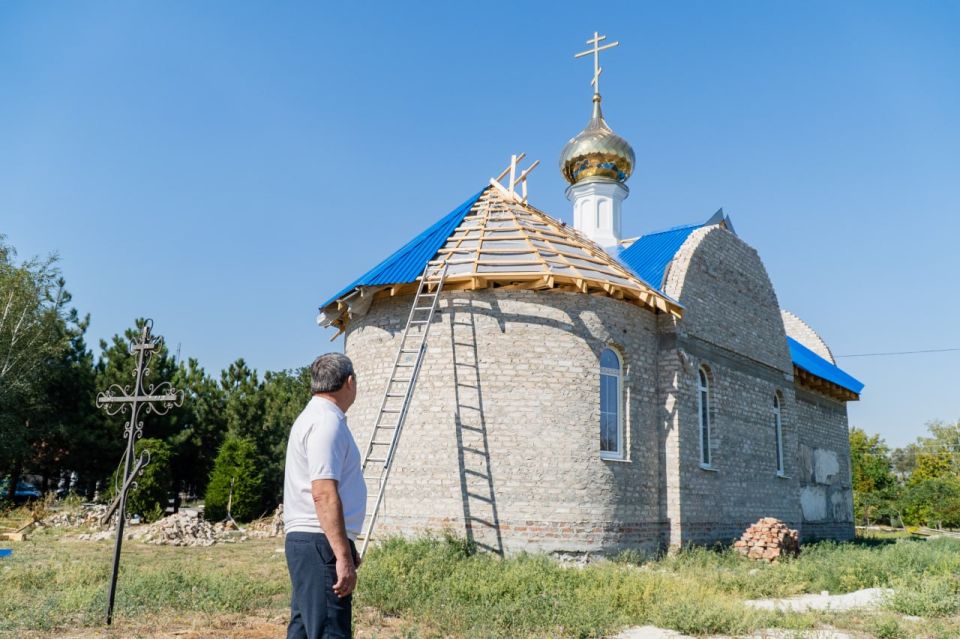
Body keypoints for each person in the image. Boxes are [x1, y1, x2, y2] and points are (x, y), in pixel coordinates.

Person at [284, 353, 367, 639]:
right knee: (330, 631)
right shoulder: (326, 423)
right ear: (349, 382)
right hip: (320, 541)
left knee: (304, 630)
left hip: (313, 541)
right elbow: (323, 494)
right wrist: (342, 555)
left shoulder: (313, 417)